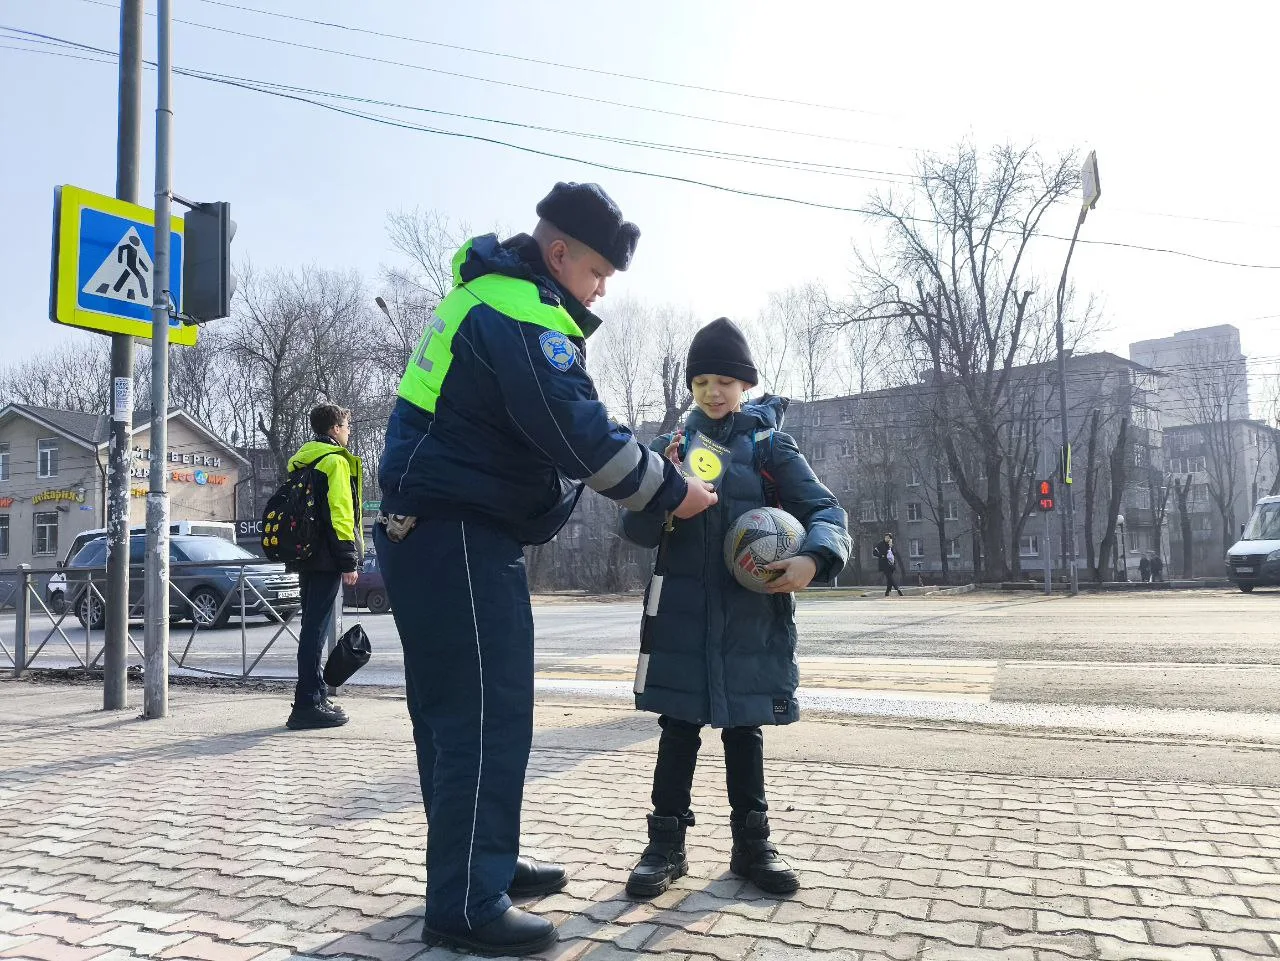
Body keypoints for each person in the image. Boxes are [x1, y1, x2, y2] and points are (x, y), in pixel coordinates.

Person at [375, 183, 718, 956]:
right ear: (558, 254)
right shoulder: (519, 312)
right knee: (486, 716)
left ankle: (477, 865)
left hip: (430, 531)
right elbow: (578, 431)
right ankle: (467, 901)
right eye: (597, 273)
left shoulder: (487, 297)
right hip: (459, 533)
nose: (602, 291)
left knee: (452, 716)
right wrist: (674, 490)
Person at [620, 317, 850, 898]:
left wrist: (813, 559)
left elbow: (826, 511)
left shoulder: (770, 447)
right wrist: (667, 500)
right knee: (677, 728)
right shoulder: (671, 449)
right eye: (701, 382)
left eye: (724, 381)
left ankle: (753, 845)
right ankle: (664, 845)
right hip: (681, 616)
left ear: (746, 384)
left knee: (745, 729)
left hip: (751, 618)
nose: (713, 393)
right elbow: (635, 529)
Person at [285, 404, 362, 731]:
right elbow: (340, 513)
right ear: (334, 429)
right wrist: (348, 560)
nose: (348, 432)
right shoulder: (334, 461)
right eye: (346, 426)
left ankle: (315, 694)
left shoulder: (303, 460)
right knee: (315, 630)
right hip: (327, 557)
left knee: (312, 627)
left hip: (305, 552)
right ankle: (307, 704)